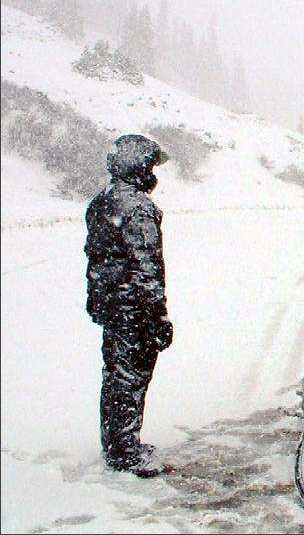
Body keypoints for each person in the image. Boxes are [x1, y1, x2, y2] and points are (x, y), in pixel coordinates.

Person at [84, 133, 173, 478]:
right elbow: (147, 269)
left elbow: (96, 259)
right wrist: (158, 318)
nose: (153, 173)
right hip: (133, 310)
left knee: (115, 377)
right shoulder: (138, 208)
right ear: (138, 165)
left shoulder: (102, 201)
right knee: (131, 379)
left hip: (112, 305)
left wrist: (98, 299)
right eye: (150, 166)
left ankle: (117, 444)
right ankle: (124, 453)